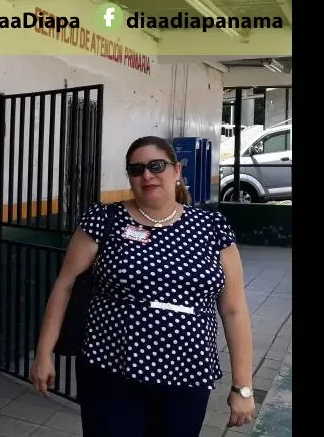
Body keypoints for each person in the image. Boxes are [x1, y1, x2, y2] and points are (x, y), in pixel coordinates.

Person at [29, 136, 257, 437]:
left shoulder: (212, 227)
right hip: (111, 369)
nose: (146, 175)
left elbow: (234, 310)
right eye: (136, 170)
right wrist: (44, 352)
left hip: (187, 374)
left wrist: (243, 386)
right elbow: (64, 286)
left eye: (156, 166)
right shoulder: (103, 219)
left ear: (176, 171)